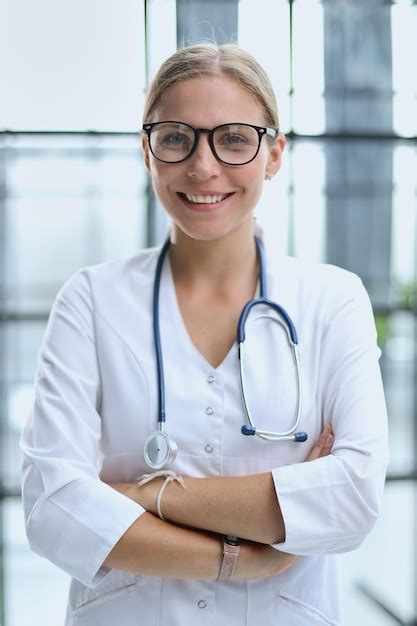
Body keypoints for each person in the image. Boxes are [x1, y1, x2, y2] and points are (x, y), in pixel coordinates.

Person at [20, 42, 389, 626]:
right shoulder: (91, 300)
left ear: (274, 155)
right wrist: (236, 559)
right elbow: (54, 510)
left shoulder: (332, 301)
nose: (203, 166)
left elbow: (352, 500)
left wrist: (148, 495)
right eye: (176, 138)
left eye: (235, 139)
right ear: (148, 151)